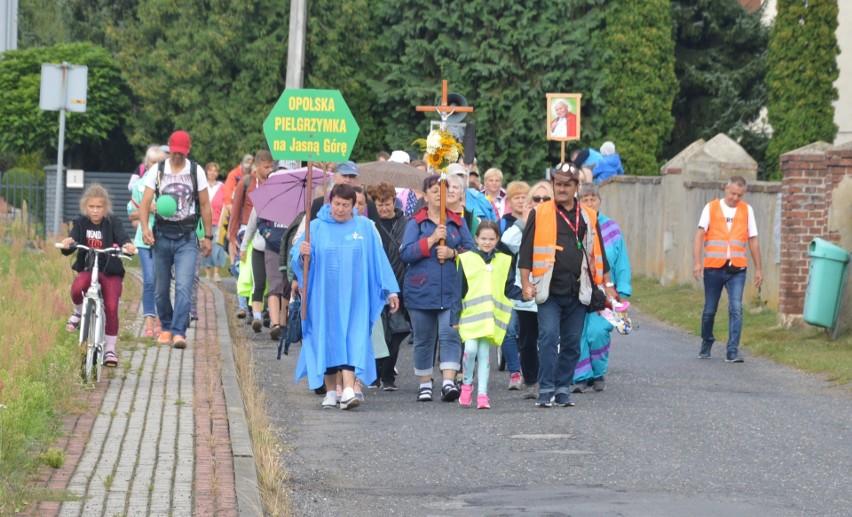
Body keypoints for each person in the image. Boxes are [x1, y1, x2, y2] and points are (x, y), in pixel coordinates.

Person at [518, 162, 618, 407]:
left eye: (567, 185)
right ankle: (546, 388)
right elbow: (526, 252)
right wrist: (525, 283)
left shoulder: (588, 215)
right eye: (558, 184)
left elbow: (599, 254)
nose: (561, 189)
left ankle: (562, 387)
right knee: (549, 337)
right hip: (548, 289)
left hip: (578, 290)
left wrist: (608, 285)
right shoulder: (539, 213)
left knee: (572, 343)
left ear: (576, 187)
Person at [291, 184, 400, 410]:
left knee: (354, 337)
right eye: (337, 204)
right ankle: (331, 392)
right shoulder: (315, 228)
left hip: (356, 298)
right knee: (327, 339)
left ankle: (349, 389)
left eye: (346, 205)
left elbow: (378, 259)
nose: (340, 209)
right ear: (330, 203)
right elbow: (298, 262)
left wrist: (390, 290)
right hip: (324, 298)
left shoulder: (365, 228)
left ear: (355, 206)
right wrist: (302, 254)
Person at [400, 175, 475, 403]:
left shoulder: (457, 222)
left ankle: (449, 382)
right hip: (421, 289)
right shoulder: (415, 222)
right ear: (425, 194)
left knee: (450, 333)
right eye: (434, 190)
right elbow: (406, 253)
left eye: (443, 190)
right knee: (424, 338)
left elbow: (471, 253)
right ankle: (424, 382)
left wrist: (453, 254)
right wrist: (431, 240)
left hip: (450, 290)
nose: (438, 194)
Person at [139, 130, 213, 349]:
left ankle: (179, 332)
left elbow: (206, 204)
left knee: (183, 286)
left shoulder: (195, 170)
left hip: (187, 237)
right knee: (161, 288)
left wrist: (208, 236)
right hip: (161, 235)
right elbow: (145, 202)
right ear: (169, 150)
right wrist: (145, 228)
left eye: (182, 153)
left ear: (187, 151)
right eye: (175, 152)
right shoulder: (158, 170)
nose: (178, 156)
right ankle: (167, 326)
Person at [62, 184, 137, 366]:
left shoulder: (113, 222)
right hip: (88, 268)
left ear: (106, 208)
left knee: (111, 306)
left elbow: (123, 237)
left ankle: (110, 349)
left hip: (110, 271)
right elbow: (73, 238)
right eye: (91, 207)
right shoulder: (81, 222)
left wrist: (128, 246)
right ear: (85, 207)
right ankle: (78, 313)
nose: (95, 211)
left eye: (99, 207)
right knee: (77, 287)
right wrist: (68, 242)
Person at [693, 176, 762, 362]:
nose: (735, 198)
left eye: (739, 195)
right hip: (714, 267)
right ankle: (707, 341)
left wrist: (758, 269)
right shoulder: (711, 208)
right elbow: (699, 236)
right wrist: (697, 263)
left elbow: (753, 240)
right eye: (732, 194)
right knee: (709, 310)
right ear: (726, 189)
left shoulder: (747, 211)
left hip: (737, 269)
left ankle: (732, 351)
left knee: (736, 308)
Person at [571, 183, 631, 393]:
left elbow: (622, 262)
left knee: (597, 331)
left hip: (605, 291)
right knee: (577, 332)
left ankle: (597, 373)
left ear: (600, 201)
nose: (590, 203)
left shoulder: (612, 228)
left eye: (593, 199)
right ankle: (580, 375)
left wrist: (622, 292)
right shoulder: (573, 225)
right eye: (585, 199)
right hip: (578, 289)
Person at [457, 220, 519, 409]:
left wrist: (524, 293)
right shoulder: (466, 259)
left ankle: (482, 394)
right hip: (469, 316)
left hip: (490, 317)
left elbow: (508, 287)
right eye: (483, 238)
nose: (487, 242)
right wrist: (454, 317)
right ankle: (467, 385)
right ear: (476, 238)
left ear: (497, 239)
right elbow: (458, 290)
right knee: (470, 350)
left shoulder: (503, 260)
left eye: (491, 239)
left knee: (484, 354)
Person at [502, 181, 554, 397]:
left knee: (550, 337)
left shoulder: (555, 223)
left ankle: (550, 380)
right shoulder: (523, 224)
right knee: (528, 340)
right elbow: (508, 241)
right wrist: (524, 220)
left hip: (551, 289)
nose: (541, 203)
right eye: (536, 199)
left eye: (545, 199)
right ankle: (531, 380)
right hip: (525, 291)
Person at [367, 182, 409, 391]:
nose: (384, 208)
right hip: (375, 286)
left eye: (387, 203)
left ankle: (388, 373)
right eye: (379, 204)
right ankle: (375, 373)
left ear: (394, 202)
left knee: (397, 330)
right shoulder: (369, 225)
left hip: (400, 283)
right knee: (377, 331)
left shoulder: (405, 223)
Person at [127, 146, 168, 337]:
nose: (155, 167)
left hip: (163, 238)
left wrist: (162, 209)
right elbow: (131, 214)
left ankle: (162, 319)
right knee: (150, 280)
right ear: (146, 164)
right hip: (143, 240)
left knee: (162, 281)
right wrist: (147, 208)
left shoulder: (169, 185)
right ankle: (149, 321)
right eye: (152, 163)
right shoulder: (139, 185)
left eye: (159, 163)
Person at [236, 154, 277, 333]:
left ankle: (274, 319)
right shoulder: (259, 200)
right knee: (258, 282)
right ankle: (257, 317)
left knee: (275, 285)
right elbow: (251, 226)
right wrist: (243, 247)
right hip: (259, 248)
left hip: (276, 250)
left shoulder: (285, 204)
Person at [496, 180, 530, 390]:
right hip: (508, 280)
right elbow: (502, 246)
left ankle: (530, 369)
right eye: (516, 197)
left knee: (528, 331)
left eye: (524, 197)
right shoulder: (504, 223)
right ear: (509, 201)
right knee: (508, 329)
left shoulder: (537, 219)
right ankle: (515, 372)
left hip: (528, 282)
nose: (520, 201)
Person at [202, 162, 226, 281]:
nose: (212, 173)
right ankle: (207, 272)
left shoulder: (222, 187)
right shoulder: (202, 185)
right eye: (210, 170)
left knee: (217, 247)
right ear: (206, 171)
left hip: (218, 221)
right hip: (204, 221)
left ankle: (217, 272)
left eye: (215, 170)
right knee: (205, 246)